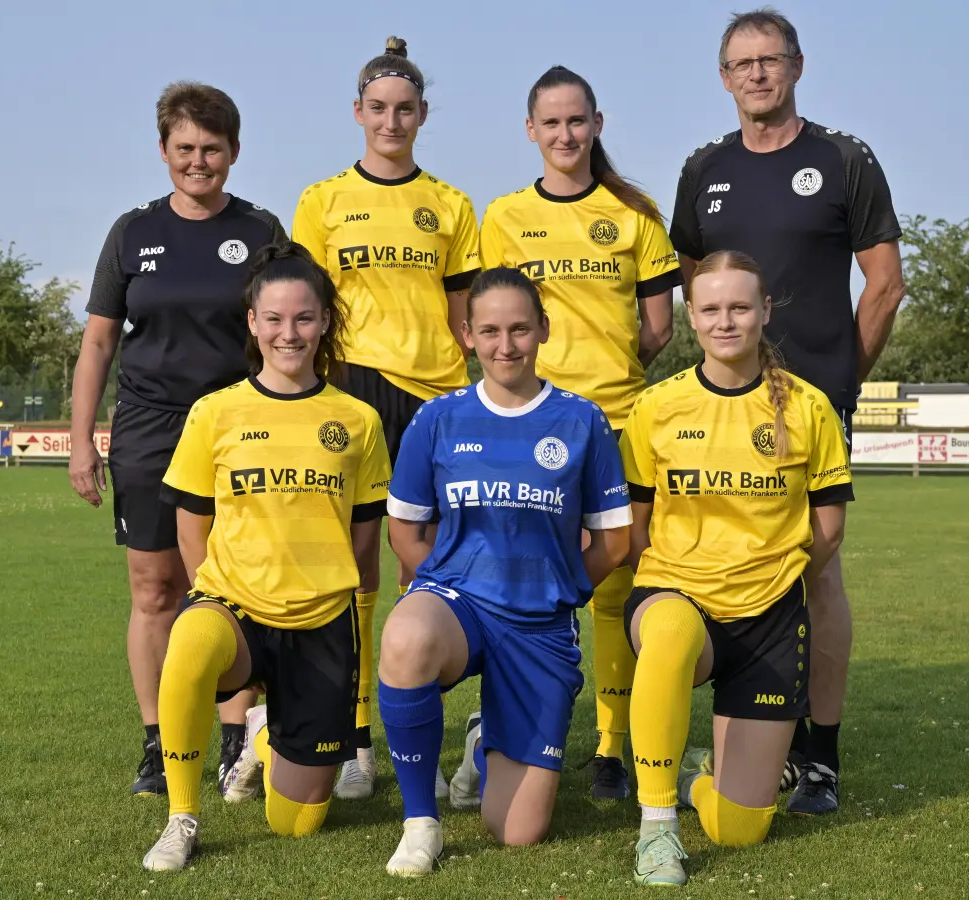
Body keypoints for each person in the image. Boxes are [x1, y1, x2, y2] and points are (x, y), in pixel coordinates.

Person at [668, 7, 905, 815]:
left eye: (772, 60)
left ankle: (822, 755)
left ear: (797, 66)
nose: (758, 74)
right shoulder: (703, 169)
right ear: (725, 77)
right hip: (722, 409)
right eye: (743, 63)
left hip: (808, 409)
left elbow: (885, 285)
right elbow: (699, 288)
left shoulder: (843, 160)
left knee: (817, 571)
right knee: (720, 566)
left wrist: (837, 382)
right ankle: (746, 729)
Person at [139, 242, 391, 871]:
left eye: (303, 318)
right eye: (274, 319)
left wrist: (347, 598)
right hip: (236, 609)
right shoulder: (215, 412)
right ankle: (181, 816)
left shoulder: (357, 420)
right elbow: (191, 522)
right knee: (189, 643)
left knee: (297, 823)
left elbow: (364, 540)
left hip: (323, 622)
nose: (289, 333)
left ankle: (263, 734)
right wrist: (213, 592)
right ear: (252, 322)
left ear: (325, 321)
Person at [69, 81, 287, 797]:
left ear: (234, 152)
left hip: (238, 430)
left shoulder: (260, 232)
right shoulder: (133, 233)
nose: (199, 162)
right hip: (150, 431)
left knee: (231, 588)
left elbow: (288, 332)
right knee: (154, 587)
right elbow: (99, 342)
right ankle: (159, 742)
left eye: (212, 149)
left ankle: (234, 740)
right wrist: (81, 442)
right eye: (185, 149)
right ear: (163, 151)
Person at [376, 267, 631, 876]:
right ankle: (421, 824)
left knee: (517, 831)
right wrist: (439, 583)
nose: (505, 345)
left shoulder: (581, 421)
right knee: (407, 635)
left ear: (544, 329)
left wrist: (558, 588)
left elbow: (616, 541)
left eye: (520, 328)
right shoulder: (438, 418)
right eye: (489, 330)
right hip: (458, 604)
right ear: (467, 335)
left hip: (539, 624)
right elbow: (406, 531)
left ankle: (481, 744)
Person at [476, 65, 680, 802]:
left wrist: (608, 368)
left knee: (614, 586)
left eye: (576, 121)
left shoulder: (635, 213)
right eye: (550, 123)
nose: (564, 135)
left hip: (618, 422)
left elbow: (657, 326)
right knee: (516, 580)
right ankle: (509, 729)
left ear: (598, 124)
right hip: (529, 424)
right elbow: (495, 319)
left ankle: (612, 748)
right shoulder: (500, 216)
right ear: (531, 131)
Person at [619, 250, 852, 886]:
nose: (727, 322)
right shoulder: (656, 408)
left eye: (740, 307)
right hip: (677, 599)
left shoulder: (808, 408)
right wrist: (675, 573)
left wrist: (773, 576)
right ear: (691, 316)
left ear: (764, 311)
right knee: (666, 637)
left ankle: (695, 780)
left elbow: (827, 527)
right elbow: (636, 526)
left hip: (770, 618)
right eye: (712, 309)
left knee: (740, 829)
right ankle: (657, 827)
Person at [292, 35, 482, 802]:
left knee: (427, 569)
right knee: (353, 565)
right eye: (379, 108)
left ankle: (418, 738)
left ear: (423, 115)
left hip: (435, 394)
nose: (392, 120)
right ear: (358, 113)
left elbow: (465, 316)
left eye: (405, 109)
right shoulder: (323, 200)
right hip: (355, 390)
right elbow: (302, 312)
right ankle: (356, 738)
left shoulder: (451, 204)